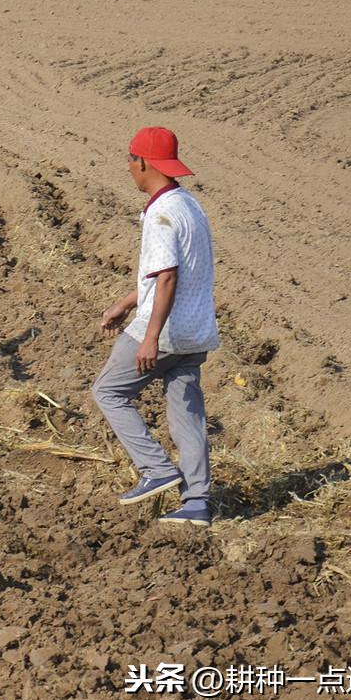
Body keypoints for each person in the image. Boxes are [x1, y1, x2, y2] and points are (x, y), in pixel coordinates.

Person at [92, 127, 219, 527]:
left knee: (108, 391)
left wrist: (149, 337)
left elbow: (166, 278)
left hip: (165, 331)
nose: (129, 169)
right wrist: (125, 303)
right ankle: (197, 502)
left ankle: (157, 469)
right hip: (197, 331)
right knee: (187, 413)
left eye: (130, 160)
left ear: (143, 162)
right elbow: (166, 275)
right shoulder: (189, 205)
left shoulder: (159, 213)